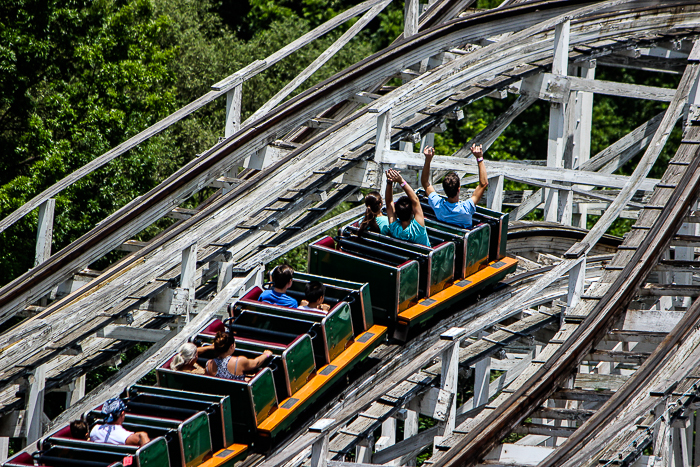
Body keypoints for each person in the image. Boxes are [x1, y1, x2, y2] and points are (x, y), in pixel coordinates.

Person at [421, 144, 488, 229]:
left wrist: (428, 160)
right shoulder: (466, 208)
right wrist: (479, 158)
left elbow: (425, 183)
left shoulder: (438, 205)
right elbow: (484, 184)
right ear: (458, 189)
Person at [385, 169, 431, 247]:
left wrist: (389, 182)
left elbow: (389, 203)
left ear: (396, 212)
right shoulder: (417, 228)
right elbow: (416, 200)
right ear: (412, 212)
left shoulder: (394, 229)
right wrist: (401, 181)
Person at [205, 331, 273, 380]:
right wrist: (266, 354)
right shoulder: (239, 361)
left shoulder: (209, 364)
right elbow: (256, 363)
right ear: (231, 346)